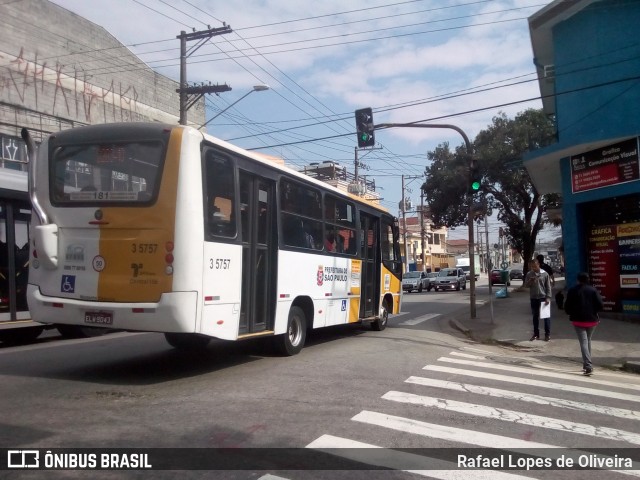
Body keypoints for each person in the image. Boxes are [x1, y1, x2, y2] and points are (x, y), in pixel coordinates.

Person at [564, 272, 604, 376]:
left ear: (578, 280)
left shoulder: (573, 290)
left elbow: (567, 306)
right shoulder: (593, 290)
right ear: (588, 279)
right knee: (587, 341)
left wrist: (570, 313)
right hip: (592, 320)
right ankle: (587, 363)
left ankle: (588, 365)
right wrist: (593, 311)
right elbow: (600, 305)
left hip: (578, 320)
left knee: (584, 342)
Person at [524, 258, 553, 341]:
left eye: (535, 266)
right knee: (535, 317)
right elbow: (526, 286)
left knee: (546, 317)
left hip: (543, 297)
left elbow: (548, 287)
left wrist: (548, 297)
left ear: (538, 265)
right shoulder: (529, 274)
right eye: (532, 267)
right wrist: (530, 281)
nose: (533, 268)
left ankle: (547, 334)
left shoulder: (545, 274)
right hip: (534, 298)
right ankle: (536, 334)